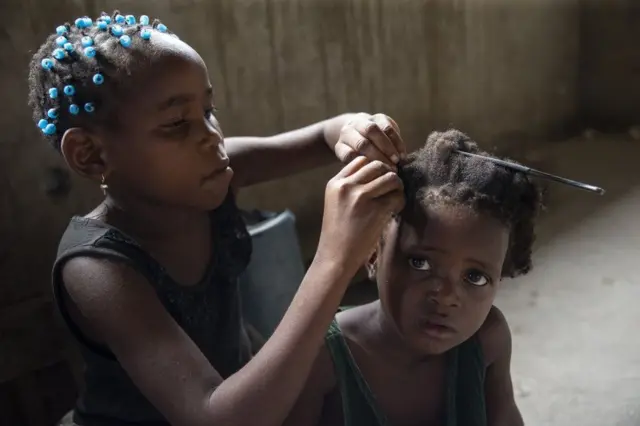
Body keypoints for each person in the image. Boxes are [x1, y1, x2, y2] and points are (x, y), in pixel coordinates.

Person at [29, 11, 406, 426]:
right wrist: (334, 260)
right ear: (90, 154)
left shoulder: (213, 174)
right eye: (176, 123)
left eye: (209, 109)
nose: (212, 136)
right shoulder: (95, 268)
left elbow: (322, 136)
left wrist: (356, 129)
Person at [284, 129, 543, 426]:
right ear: (372, 253)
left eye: (475, 277)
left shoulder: (488, 341)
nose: (445, 296)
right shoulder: (320, 358)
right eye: (420, 263)